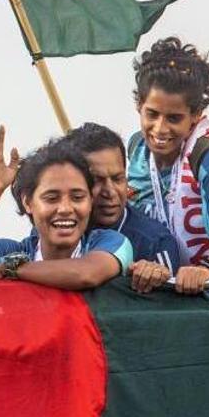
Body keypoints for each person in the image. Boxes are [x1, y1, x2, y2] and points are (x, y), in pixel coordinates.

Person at [0, 124, 134, 301]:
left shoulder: (111, 242)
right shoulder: (15, 253)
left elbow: (86, 274)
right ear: (28, 202)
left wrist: (9, 270)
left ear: (90, 201)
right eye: (52, 198)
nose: (65, 209)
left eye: (77, 197)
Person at [125, 37, 209, 294]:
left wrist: (205, 271)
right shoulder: (135, 150)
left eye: (174, 118)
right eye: (152, 114)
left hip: (207, 295)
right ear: (139, 106)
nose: (160, 129)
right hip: (153, 289)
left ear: (195, 116)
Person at [61, 123, 180, 293]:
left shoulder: (155, 243)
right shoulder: (53, 229)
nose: (110, 192)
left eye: (118, 179)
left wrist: (154, 278)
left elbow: (170, 306)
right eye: (96, 180)